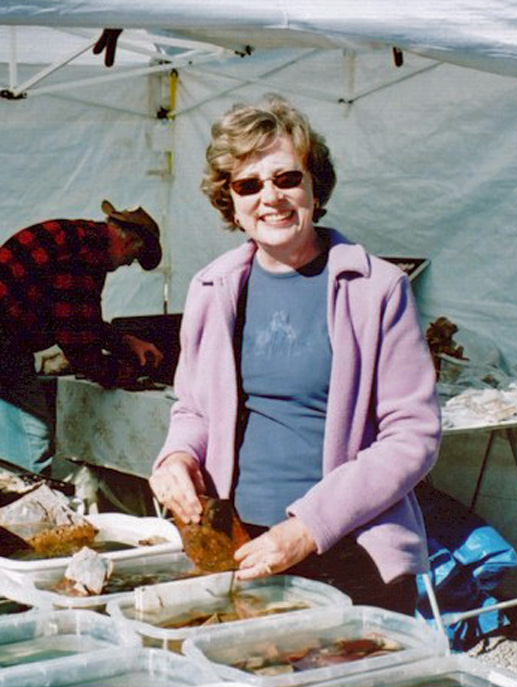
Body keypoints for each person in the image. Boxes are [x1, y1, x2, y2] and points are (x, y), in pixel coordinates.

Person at [150, 94, 441, 615]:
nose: (271, 197)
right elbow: (193, 407)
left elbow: (411, 436)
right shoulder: (212, 287)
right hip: (240, 546)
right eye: (249, 185)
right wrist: (176, 457)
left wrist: (309, 527)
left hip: (348, 549)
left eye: (287, 178)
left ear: (313, 185)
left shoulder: (376, 288)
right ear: (230, 202)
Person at [0, 199, 164, 474]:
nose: (126, 265)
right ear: (131, 243)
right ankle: (29, 511)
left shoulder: (79, 238)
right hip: (5, 341)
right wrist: (129, 374)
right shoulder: (83, 255)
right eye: (133, 259)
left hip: (9, 337)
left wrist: (125, 341)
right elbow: (79, 348)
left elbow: (76, 315)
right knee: (32, 443)